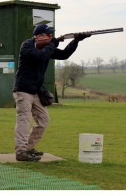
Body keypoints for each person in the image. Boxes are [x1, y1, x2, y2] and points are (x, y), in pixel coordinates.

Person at [13, 24, 91, 161]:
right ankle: (20, 152)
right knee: (24, 120)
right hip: (23, 90)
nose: (51, 37)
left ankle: (28, 148)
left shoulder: (47, 48)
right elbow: (40, 56)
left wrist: (76, 40)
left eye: (51, 35)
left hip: (36, 91)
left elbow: (65, 55)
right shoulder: (27, 46)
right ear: (39, 36)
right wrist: (54, 43)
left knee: (43, 120)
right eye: (48, 35)